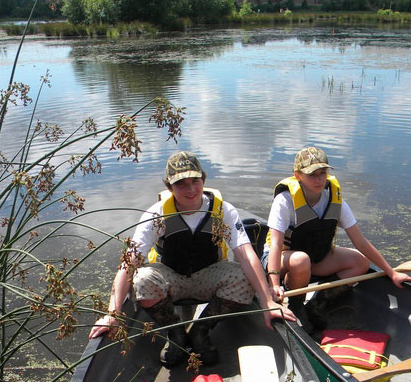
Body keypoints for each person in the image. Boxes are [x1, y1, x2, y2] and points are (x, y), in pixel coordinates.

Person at [89, 151, 295, 367]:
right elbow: (129, 263)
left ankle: (200, 331)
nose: (190, 190)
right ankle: (176, 332)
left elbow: (246, 254)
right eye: (181, 184)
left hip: (210, 275)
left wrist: (267, 302)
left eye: (195, 181)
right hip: (171, 278)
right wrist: (113, 313)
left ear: (203, 180)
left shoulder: (222, 211)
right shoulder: (156, 215)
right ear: (169, 187)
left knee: (244, 275)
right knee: (141, 279)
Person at [263, 146, 411, 330]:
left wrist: (392, 273)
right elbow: (276, 245)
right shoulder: (285, 201)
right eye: (312, 174)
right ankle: (296, 303)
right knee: (301, 261)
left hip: (316, 256)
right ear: (298, 175)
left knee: (360, 262)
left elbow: (359, 241)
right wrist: (274, 284)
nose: (319, 179)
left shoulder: (335, 199)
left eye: (323, 172)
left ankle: (319, 302)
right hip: (282, 260)